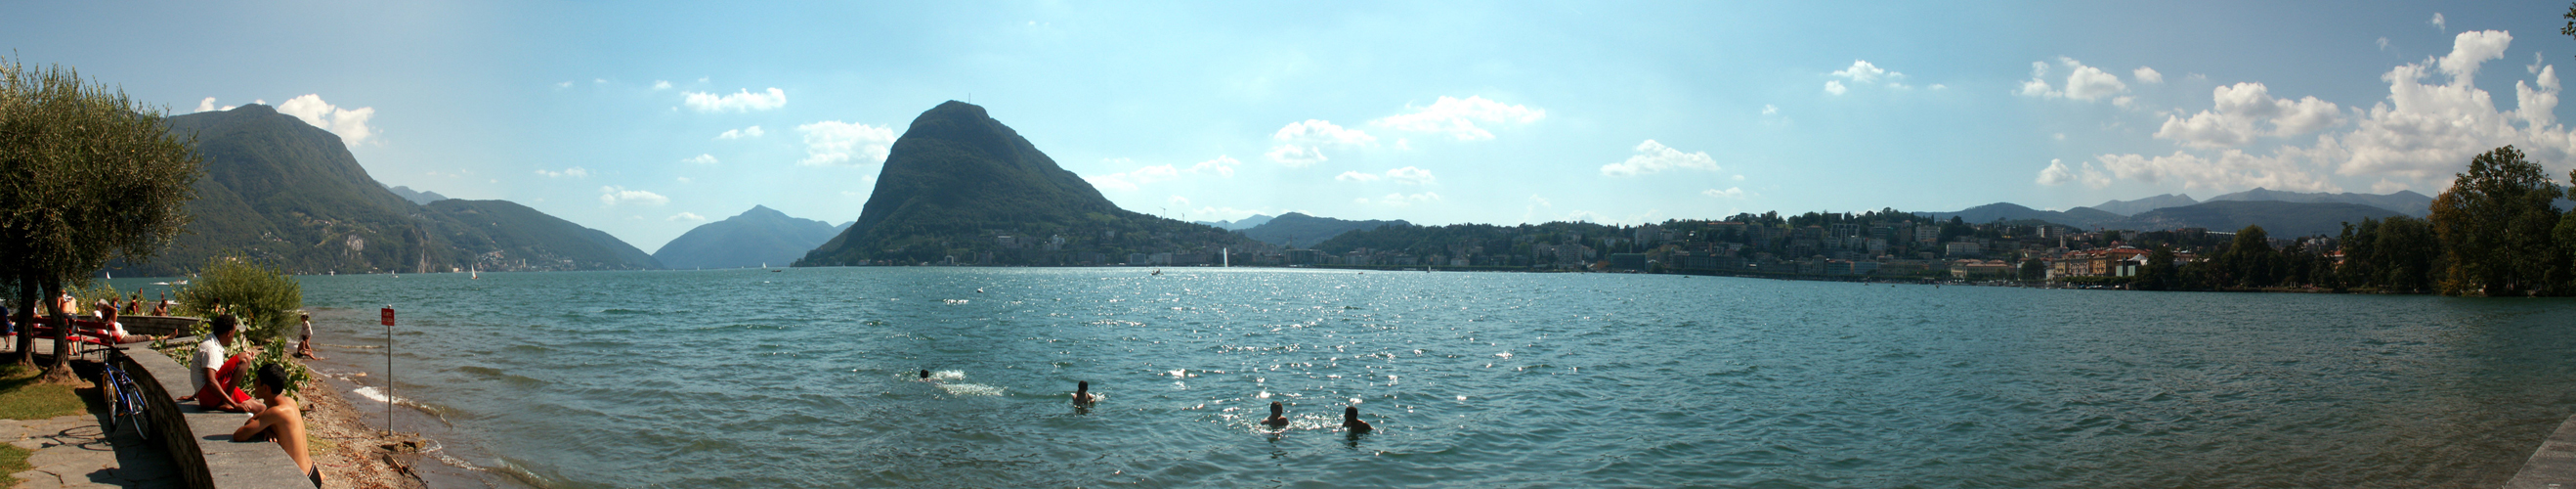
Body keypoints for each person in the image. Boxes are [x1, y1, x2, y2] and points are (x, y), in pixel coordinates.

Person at [232, 363, 319, 488]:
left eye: (256, 381)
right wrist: (264, 429)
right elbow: (252, 421)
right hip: (312, 471)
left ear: (265, 388)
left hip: (301, 479)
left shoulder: (276, 412)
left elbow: (239, 435)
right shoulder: (289, 402)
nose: (254, 384)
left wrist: (261, 428)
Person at [184, 315, 262, 413]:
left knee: (261, 408)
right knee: (244, 358)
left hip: (210, 394)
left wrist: (195, 395)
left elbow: (202, 375)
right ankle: (226, 402)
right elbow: (210, 381)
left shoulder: (213, 342)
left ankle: (226, 400)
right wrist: (234, 404)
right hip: (209, 396)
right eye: (233, 333)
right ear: (229, 333)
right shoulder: (211, 349)